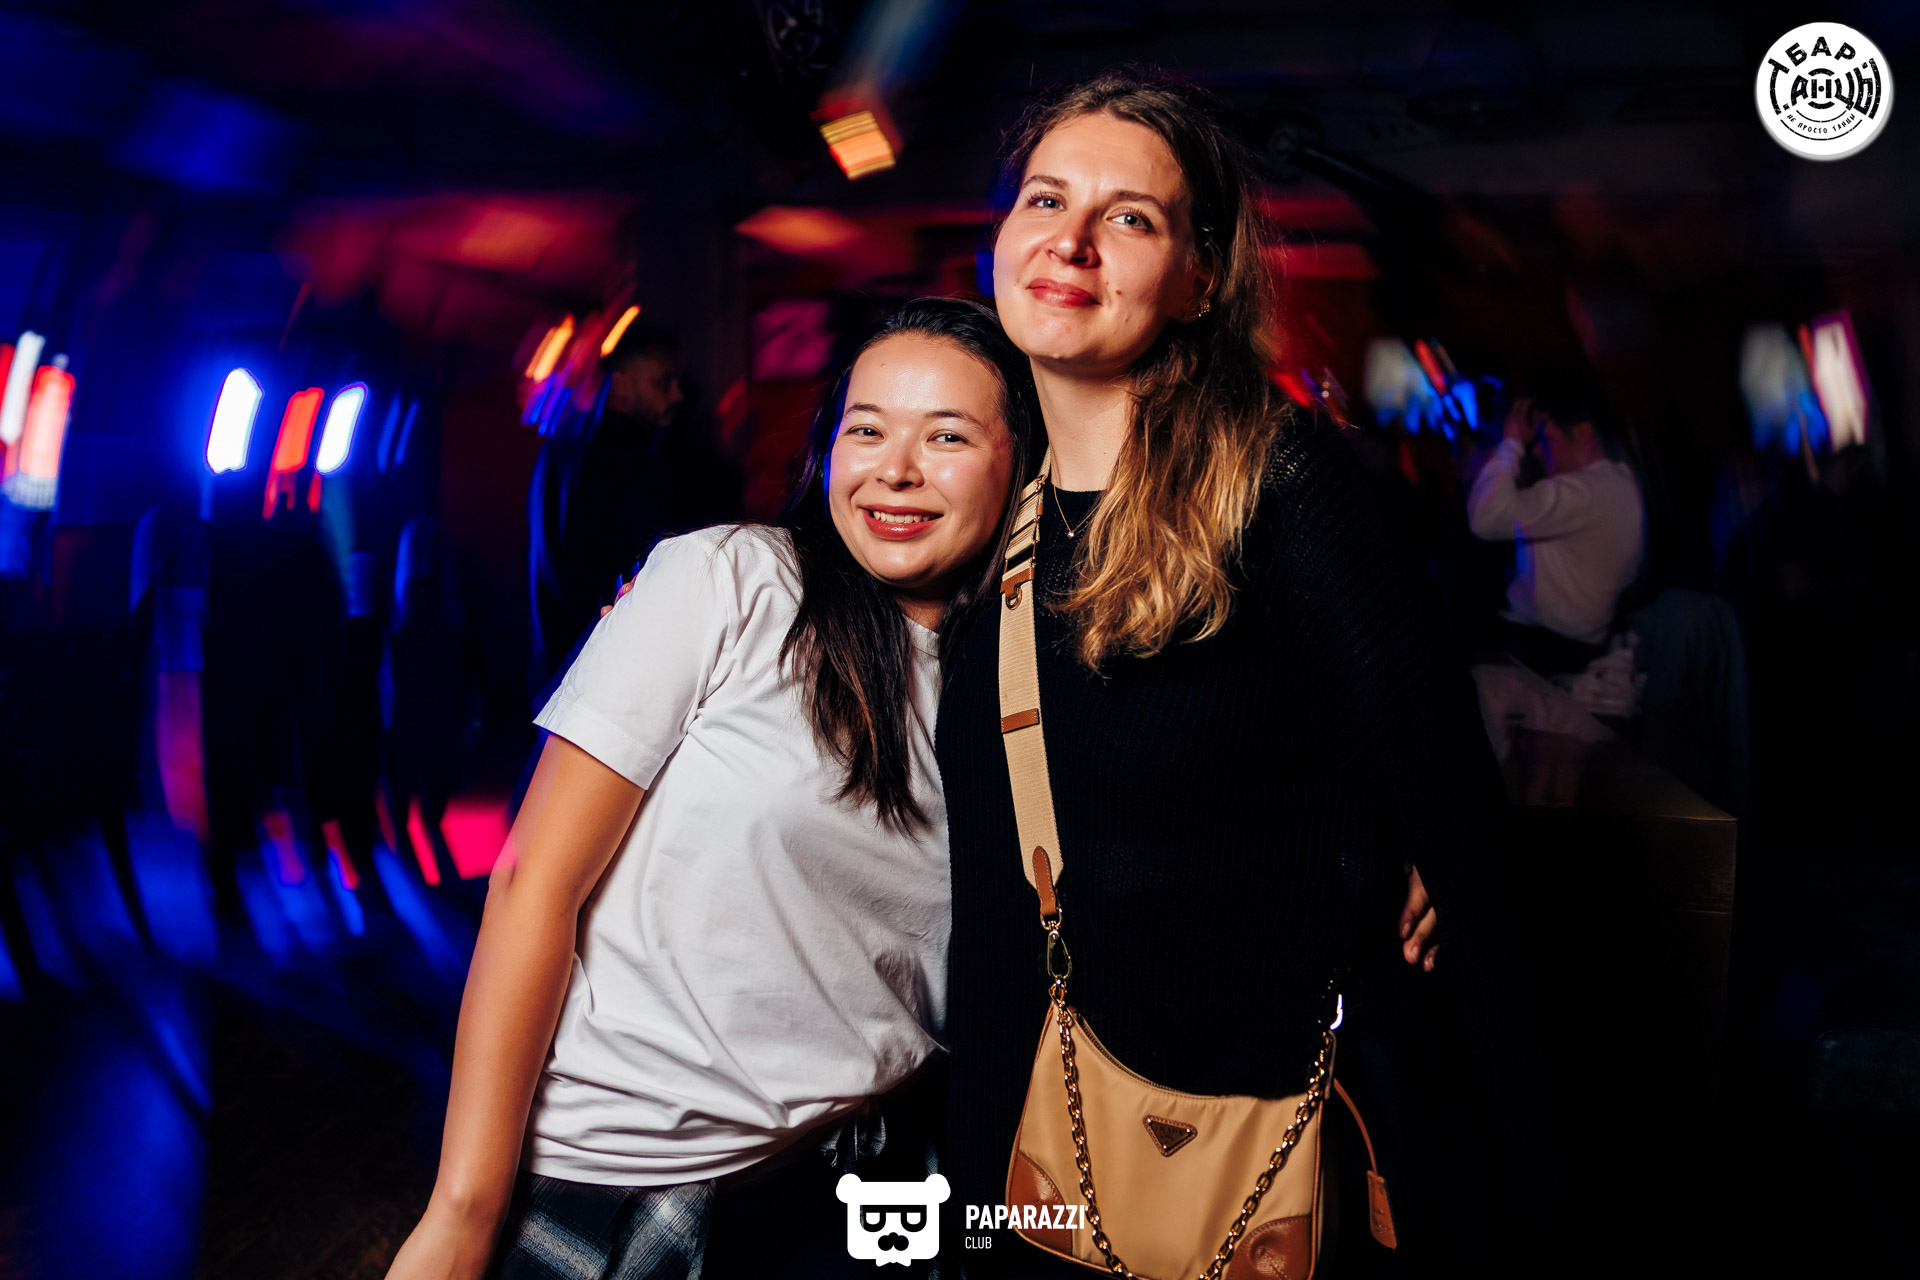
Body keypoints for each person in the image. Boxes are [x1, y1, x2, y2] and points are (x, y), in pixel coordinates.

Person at [936, 70, 1548, 1275]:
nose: (1070, 239)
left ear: (1201, 278)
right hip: (1045, 1162)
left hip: (1260, 1167)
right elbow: (1001, 907)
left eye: (1129, 217)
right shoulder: (996, 507)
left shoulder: (1285, 489)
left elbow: (1463, 838)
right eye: (1045, 199)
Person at [385, 298, 1040, 1280]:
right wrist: (462, 1211)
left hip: (866, 1186)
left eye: (947, 435)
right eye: (867, 429)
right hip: (627, 1175)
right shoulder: (731, 580)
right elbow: (533, 882)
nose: (895, 469)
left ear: (1020, 465)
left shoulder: (1026, 690)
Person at [527, 324, 742, 684]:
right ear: (622, 384)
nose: (677, 395)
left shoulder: (560, 447)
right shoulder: (631, 462)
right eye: (662, 383)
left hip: (556, 661)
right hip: (604, 664)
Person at [1466, 380, 1646, 678]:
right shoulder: (1623, 487)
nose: (1537, 451)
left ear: (1582, 434)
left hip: (1541, 653)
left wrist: (1511, 444)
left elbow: (1486, 517)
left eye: (1544, 438)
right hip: (1577, 651)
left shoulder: (1586, 492)